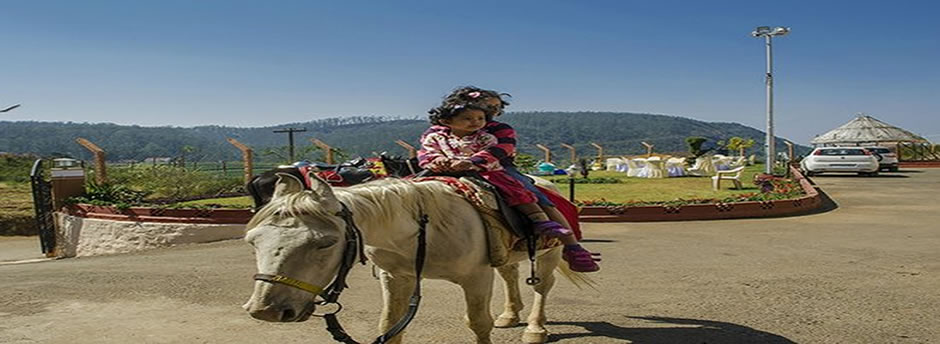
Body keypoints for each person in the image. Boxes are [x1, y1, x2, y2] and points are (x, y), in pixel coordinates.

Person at [418, 94, 599, 272]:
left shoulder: (496, 129)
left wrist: (474, 162)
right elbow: (427, 150)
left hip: (495, 167)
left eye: (496, 108)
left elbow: (502, 148)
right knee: (410, 189)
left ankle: (571, 246)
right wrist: (436, 161)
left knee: (530, 193)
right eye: (488, 106)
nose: (493, 111)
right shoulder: (437, 132)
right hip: (445, 167)